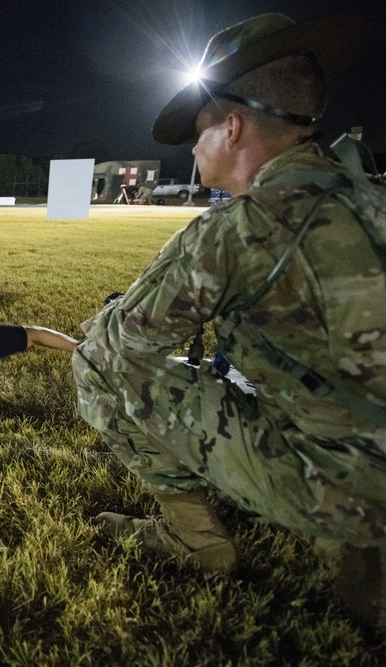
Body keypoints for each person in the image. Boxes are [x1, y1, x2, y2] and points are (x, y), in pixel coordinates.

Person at [70, 13, 386, 628]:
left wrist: (107, 317)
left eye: (200, 131)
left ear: (233, 127)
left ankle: (198, 542)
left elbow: (118, 343)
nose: (192, 148)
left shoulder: (239, 229)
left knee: (95, 366)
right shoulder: (369, 197)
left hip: (351, 485)